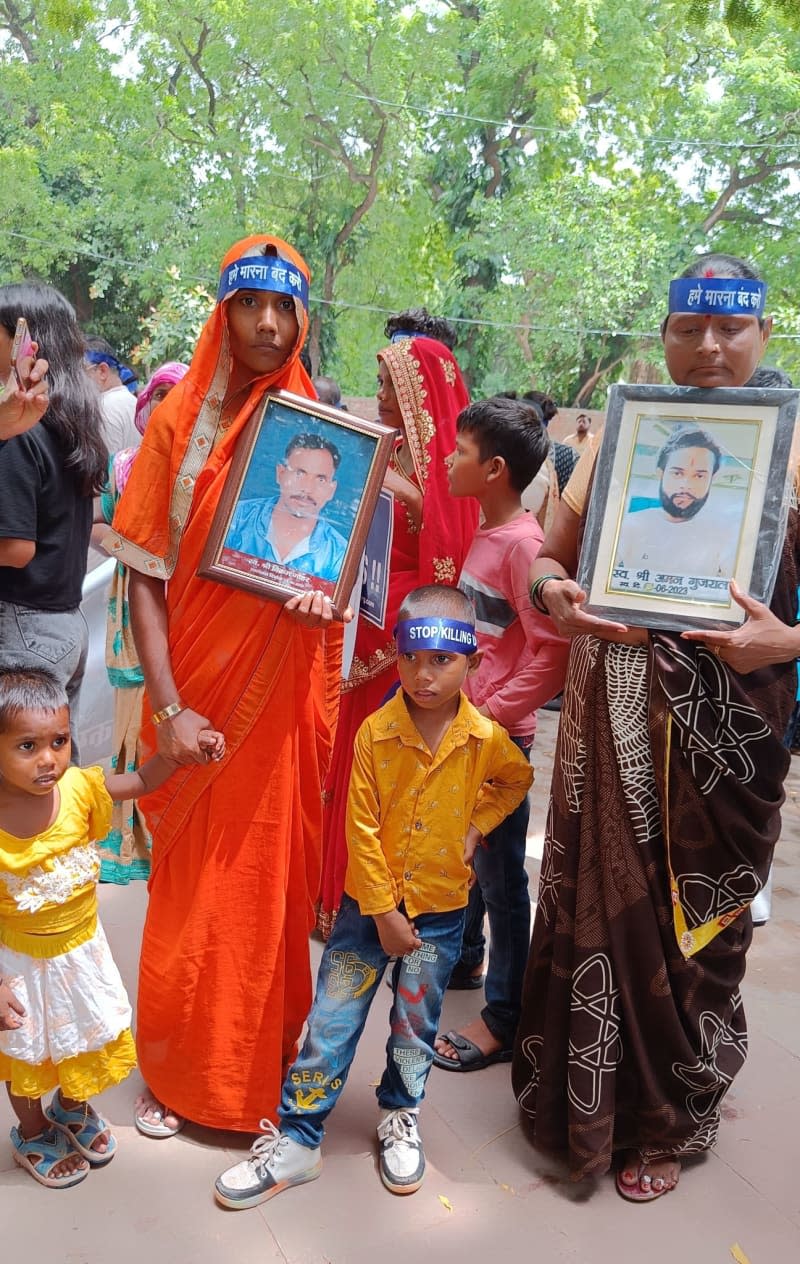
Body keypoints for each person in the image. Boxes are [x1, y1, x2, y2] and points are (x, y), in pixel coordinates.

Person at [513, 253, 800, 1203]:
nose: (710, 347)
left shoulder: (795, 441)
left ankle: (669, 1118)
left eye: (732, 328)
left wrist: (785, 640)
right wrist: (560, 598)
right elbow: (544, 563)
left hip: (732, 736)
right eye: (689, 327)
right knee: (599, 902)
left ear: (764, 332)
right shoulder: (625, 434)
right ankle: (582, 1097)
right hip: (613, 713)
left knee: (701, 929)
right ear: (665, 332)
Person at [105, 233, 347, 1137]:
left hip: (276, 701)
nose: (270, 324)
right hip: (194, 696)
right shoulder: (175, 427)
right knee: (192, 891)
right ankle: (174, 1074)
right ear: (224, 310)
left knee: (265, 885)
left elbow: (329, 561)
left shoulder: (321, 433)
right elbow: (144, 578)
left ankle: (255, 1070)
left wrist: (321, 610)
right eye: (251, 303)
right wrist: (168, 711)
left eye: (285, 307)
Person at [213, 585, 533, 1209]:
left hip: (441, 915)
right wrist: (384, 912)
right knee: (331, 1023)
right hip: (367, 914)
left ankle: (400, 1114)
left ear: (473, 659)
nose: (424, 673)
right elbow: (358, 827)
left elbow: (515, 780)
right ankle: (301, 1137)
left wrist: (474, 829)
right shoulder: (373, 735)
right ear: (397, 655)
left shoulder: (484, 739)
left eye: (443, 660)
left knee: (416, 1026)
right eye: (412, 657)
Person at [0, 665, 224, 1189]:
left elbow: (142, 781)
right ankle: (32, 1133)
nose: (48, 759)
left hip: (81, 955)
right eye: (26, 746)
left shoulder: (79, 789)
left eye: (59, 741)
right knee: (27, 1055)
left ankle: (72, 1107)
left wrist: (175, 754)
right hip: (19, 967)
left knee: (85, 1035)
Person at [315, 321, 480, 936]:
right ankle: (332, 895)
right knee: (348, 763)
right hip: (359, 616)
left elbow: (449, 562)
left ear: (420, 394)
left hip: (406, 636)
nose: (381, 395)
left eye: (391, 386)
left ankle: (377, 903)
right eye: (380, 383)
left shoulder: (447, 467)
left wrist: (411, 498)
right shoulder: (381, 445)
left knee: (388, 772)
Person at [431, 396, 569, 1070]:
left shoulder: (523, 545)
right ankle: (467, 960)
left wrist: (492, 713)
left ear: (492, 469)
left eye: (458, 451)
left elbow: (553, 650)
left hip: (499, 741)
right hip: (477, 728)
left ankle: (504, 1018)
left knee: (504, 876)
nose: (446, 460)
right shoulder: (491, 533)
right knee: (480, 862)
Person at [0, 283, 108, 761]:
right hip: (64, 626)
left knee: (20, 786)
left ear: (28, 344)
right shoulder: (68, 425)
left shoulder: (20, 434)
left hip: (22, 629)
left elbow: (16, 548)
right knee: (50, 778)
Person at [94, 361, 189, 884]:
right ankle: (128, 840)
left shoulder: (200, 471)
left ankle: (169, 830)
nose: (162, 409)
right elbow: (97, 524)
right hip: (133, 596)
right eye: (157, 398)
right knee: (132, 717)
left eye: (175, 398)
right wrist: (132, 550)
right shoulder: (123, 465)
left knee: (177, 708)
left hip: (185, 602)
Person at [614, 424, 737, 583]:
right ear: (661, 473)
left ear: (711, 479)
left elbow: (736, 593)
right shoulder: (631, 524)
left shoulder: (724, 533)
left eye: (699, 476)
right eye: (677, 473)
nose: (686, 485)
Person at [225, 432, 348, 583]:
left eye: (321, 479)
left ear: (331, 489)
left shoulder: (339, 554)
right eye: (299, 473)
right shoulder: (237, 518)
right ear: (280, 474)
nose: (307, 488)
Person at [83, 335, 140, 453]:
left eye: (81, 373)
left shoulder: (103, 409)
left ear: (102, 371)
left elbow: (105, 469)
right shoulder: (135, 403)